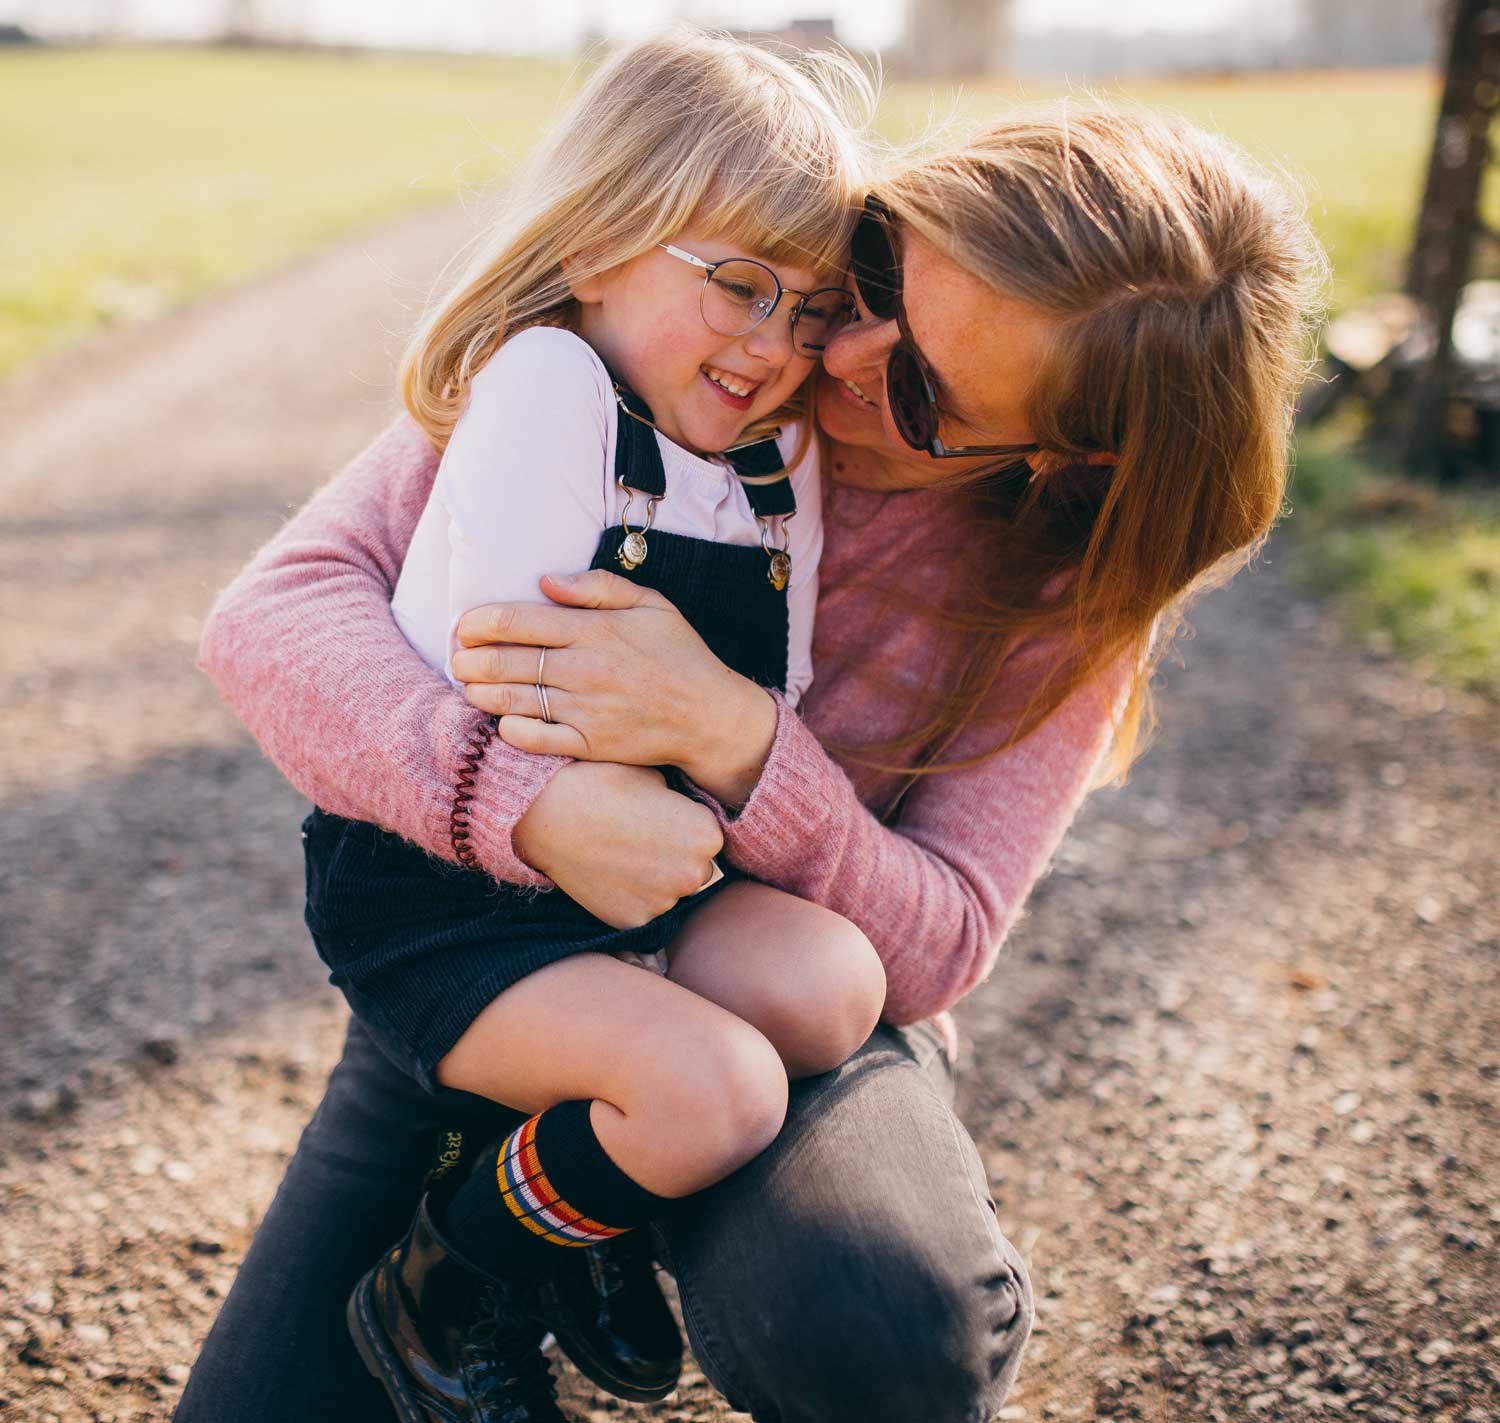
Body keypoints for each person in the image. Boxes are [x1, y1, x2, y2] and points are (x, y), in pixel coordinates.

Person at [181, 93, 1321, 1423]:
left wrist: (737, 741)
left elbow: (941, 940)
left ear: (1062, 450)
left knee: (881, 1330)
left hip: (783, 990)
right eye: (877, 273)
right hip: (501, 936)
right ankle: (511, 1225)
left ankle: (601, 1203)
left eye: (921, 390)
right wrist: (526, 802)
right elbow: (277, 613)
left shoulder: (1062, 596)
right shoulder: (646, 359)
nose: (833, 351)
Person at [289, 32, 885, 1423]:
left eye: (809, 313)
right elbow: (510, 672)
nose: (772, 345)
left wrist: (702, 743)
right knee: (721, 1092)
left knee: (831, 987)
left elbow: (770, 692)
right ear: (607, 236)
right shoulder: (549, 387)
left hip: (641, 876)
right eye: (741, 286)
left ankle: (562, 1187)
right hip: (461, 894)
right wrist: (645, 756)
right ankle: (457, 1265)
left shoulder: (776, 455)